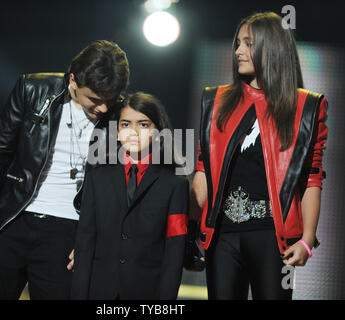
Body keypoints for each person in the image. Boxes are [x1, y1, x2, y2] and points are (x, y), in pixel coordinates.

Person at [0, 40, 130, 299]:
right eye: (95, 99)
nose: (103, 108)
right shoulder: (33, 89)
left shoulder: (121, 114)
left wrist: (94, 240)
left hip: (68, 233)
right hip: (11, 220)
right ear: (73, 79)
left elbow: (118, 187)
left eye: (110, 99)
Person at [190, 12, 328, 299]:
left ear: (272, 47)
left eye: (248, 44)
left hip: (273, 238)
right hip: (222, 236)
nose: (238, 51)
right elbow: (203, 172)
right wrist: (189, 230)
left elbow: (311, 178)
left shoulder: (307, 106)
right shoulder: (214, 101)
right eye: (237, 44)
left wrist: (306, 241)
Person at [70, 92, 189, 299]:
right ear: (116, 131)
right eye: (125, 124)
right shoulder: (98, 177)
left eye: (143, 125)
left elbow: (174, 253)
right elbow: (85, 241)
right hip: (98, 291)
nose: (133, 132)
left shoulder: (175, 184)